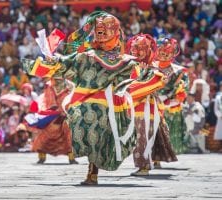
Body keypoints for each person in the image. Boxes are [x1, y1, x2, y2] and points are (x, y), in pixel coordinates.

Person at [22, 11, 166, 185]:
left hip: (101, 108)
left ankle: (92, 172)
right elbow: (64, 64)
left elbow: (136, 79)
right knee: (89, 132)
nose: (102, 33)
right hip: (94, 106)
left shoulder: (119, 60)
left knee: (94, 132)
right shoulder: (93, 57)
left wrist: (145, 72)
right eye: (101, 30)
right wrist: (50, 61)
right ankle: (91, 170)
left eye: (104, 30)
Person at [125, 34, 171, 176]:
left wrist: (143, 78)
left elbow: (147, 85)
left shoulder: (152, 68)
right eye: (134, 48)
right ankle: (142, 165)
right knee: (139, 138)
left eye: (139, 48)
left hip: (146, 108)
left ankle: (143, 167)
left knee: (143, 137)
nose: (136, 52)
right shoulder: (133, 66)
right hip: (135, 108)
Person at [24, 77, 78, 164]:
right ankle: (42, 157)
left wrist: (66, 110)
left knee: (69, 135)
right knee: (46, 134)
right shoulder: (50, 86)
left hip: (66, 114)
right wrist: (56, 111)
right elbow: (48, 102)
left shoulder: (70, 85)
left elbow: (73, 99)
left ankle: (72, 158)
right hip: (54, 115)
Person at [154, 38, 189, 157]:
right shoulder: (151, 67)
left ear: (173, 53)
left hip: (170, 106)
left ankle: (164, 155)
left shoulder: (178, 71)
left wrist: (172, 101)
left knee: (168, 133)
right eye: (161, 51)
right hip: (153, 104)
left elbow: (183, 89)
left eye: (166, 52)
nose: (163, 54)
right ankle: (155, 156)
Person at [214, 82, 222, 151]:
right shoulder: (218, 97)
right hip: (221, 118)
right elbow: (216, 108)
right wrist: (220, 115)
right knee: (220, 133)